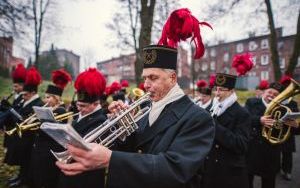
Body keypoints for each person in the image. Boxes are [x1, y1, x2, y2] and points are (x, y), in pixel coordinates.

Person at [56, 8, 215, 188]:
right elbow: (135, 150)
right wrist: (123, 128)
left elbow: (174, 169)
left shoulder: (198, 118)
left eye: (153, 78)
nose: (146, 84)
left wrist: (111, 160)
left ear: (172, 78)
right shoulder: (147, 108)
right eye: (145, 78)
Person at [201, 53, 253, 188]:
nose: (217, 94)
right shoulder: (212, 109)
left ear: (231, 91)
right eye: (216, 89)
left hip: (229, 173)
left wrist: (215, 126)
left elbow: (241, 145)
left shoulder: (242, 113)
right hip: (209, 168)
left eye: (221, 90)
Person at [57, 68, 108, 188]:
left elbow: (88, 151)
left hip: (85, 178)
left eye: (83, 106)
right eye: (78, 105)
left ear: (95, 103)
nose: (79, 109)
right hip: (71, 172)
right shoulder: (81, 115)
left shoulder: (101, 120)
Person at [245, 82, 299, 188]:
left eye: (275, 94)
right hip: (252, 148)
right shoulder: (251, 102)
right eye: (269, 92)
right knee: (247, 180)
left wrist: (295, 126)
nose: (271, 95)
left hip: (271, 150)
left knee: (269, 182)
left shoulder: (283, 108)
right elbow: (244, 119)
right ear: (264, 92)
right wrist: (259, 120)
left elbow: (292, 131)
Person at [30, 69, 71, 188]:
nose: (46, 100)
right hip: (41, 147)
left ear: (56, 98)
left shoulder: (60, 110)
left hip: (50, 149)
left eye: (49, 97)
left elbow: (51, 131)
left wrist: (38, 122)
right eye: (46, 97)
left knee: (46, 177)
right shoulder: (50, 109)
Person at [5, 67, 44, 187]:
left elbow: (27, 120)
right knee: (22, 160)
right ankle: (20, 177)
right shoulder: (27, 100)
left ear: (33, 93)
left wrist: (13, 112)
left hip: (29, 139)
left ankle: (24, 179)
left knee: (26, 161)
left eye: (25, 95)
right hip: (22, 137)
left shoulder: (39, 103)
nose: (23, 97)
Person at [2, 63, 27, 186]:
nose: (14, 88)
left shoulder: (24, 97)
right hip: (13, 129)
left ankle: (22, 177)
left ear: (22, 86)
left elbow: (19, 113)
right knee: (17, 156)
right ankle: (19, 176)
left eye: (16, 86)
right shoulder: (18, 97)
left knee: (21, 157)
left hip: (20, 131)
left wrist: (10, 108)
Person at [278, 75, 300, 181]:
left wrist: (296, 125)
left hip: (288, 132)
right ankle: (277, 168)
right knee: (275, 152)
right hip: (276, 131)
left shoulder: (293, 103)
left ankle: (287, 171)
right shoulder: (275, 101)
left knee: (288, 154)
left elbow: (296, 119)